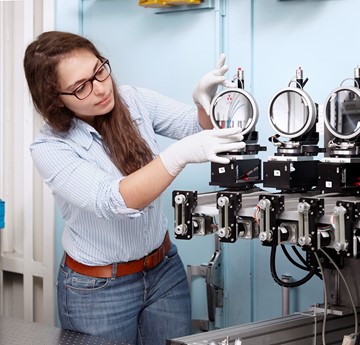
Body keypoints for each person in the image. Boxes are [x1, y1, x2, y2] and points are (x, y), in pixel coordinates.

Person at [23, 31, 244, 345]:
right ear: (56, 100)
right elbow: (114, 200)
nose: (100, 88)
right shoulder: (49, 148)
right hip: (98, 290)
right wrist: (178, 154)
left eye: (99, 71)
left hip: (163, 271)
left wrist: (203, 105)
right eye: (81, 87)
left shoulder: (133, 99)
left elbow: (196, 129)